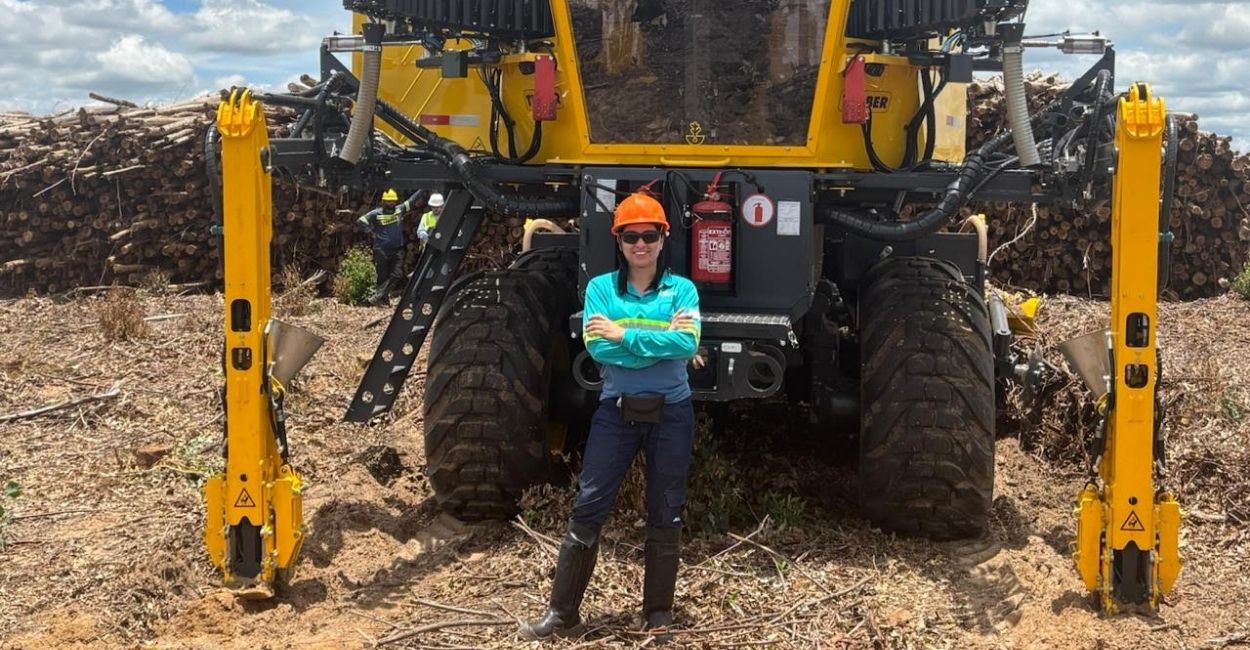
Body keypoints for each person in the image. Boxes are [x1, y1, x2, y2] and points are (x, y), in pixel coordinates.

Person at [520, 192, 701, 644]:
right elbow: (599, 348)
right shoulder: (600, 288)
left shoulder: (684, 290)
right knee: (588, 508)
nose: (641, 245)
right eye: (631, 236)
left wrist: (625, 333)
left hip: (672, 416)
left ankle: (657, 613)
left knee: (666, 511)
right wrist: (661, 335)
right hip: (616, 416)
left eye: (649, 235)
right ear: (618, 241)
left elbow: (689, 343)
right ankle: (563, 615)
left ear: (664, 239)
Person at [356, 188, 426, 305]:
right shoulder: (376, 213)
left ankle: (377, 297)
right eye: (389, 201)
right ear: (384, 201)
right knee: (382, 275)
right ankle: (383, 300)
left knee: (397, 274)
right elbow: (361, 221)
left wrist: (422, 190)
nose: (391, 203)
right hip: (381, 249)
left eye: (393, 201)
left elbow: (411, 201)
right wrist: (370, 232)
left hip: (396, 249)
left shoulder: (399, 210)